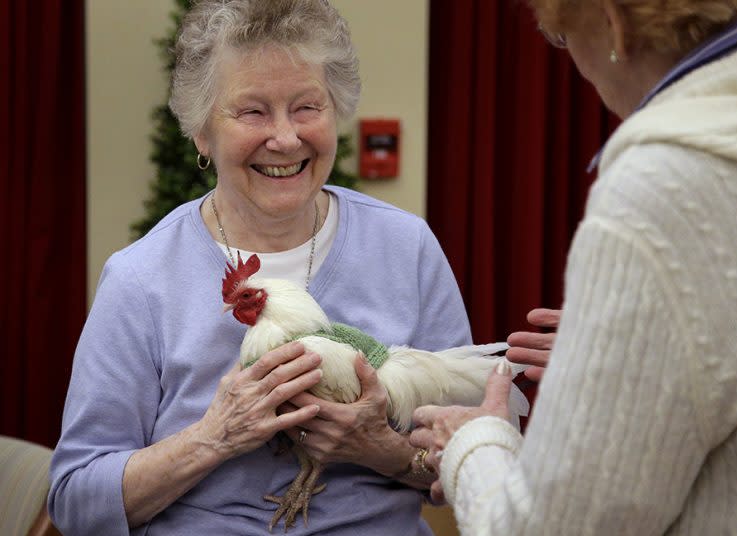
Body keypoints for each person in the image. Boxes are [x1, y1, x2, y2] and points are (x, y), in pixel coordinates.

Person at [47, 1, 476, 534]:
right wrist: (214, 437)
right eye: (252, 111)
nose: (286, 138)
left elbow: (469, 464)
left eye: (306, 107)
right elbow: (75, 501)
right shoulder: (141, 278)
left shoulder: (405, 246)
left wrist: (379, 448)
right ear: (202, 133)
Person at [410, 1, 737, 534]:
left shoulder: (660, 189)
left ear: (615, 22)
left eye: (563, 39)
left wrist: (472, 443)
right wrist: (647, 348)